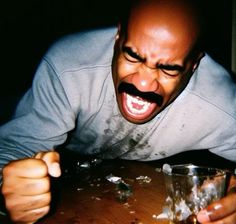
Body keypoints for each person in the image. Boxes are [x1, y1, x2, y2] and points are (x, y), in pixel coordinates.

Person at [0, 0, 235, 223]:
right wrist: (8, 186)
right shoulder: (68, 67)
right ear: (118, 36)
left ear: (194, 65)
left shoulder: (220, 102)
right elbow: (12, 148)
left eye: (169, 69)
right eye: (132, 56)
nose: (143, 84)